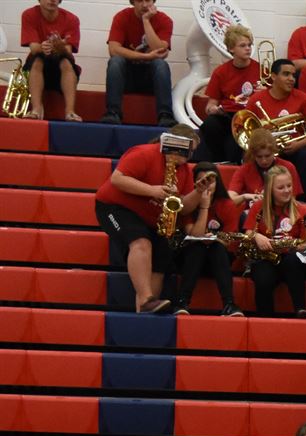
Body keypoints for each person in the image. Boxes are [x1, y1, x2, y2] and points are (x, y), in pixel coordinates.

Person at [96, 128, 210, 313]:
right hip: (114, 206)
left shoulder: (184, 170)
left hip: (149, 217)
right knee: (141, 241)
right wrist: (152, 190)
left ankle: (148, 308)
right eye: (188, 149)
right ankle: (145, 300)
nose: (189, 155)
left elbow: (182, 207)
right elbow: (117, 179)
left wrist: (197, 192)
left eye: (192, 151)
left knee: (162, 255)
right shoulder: (145, 153)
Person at [243, 58, 306, 195]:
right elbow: (247, 130)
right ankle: (256, 196)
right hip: (265, 152)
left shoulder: (302, 98)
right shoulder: (256, 100)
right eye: (286, 74)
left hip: (292, 149)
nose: (291, 79)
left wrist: (298, 144)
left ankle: (303, 200)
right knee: (249, 156)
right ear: (274, 76)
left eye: (293, 75)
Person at [171, 165, 242, 316]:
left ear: (218, 183)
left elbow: (228, 240)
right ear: (194, 184)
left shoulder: (227, 204)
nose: (207, 186)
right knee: (198, 248)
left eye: (211, 181)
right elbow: (194, 234)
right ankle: (182, 302)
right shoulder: (188, 204)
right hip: (191, 259)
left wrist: (214, 240)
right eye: (201, 181)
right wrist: (204, 207)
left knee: (215, 248)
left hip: (218, 259)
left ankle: (229, 304)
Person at [245, 165, 306, 317]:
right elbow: (248, 231)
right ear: (270, 190)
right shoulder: (258, 207)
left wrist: (294, 245)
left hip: (290, 258)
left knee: (293, 262)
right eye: (281, 187)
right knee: (263, 278)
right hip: (265, 257)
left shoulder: (302, 210)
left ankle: (300, 309)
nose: (287, 190)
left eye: (289, 186)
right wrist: (257, 236)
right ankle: (264, 318)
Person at [102, 0, 173, 126]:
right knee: (115, 61)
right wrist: (146, 56)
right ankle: (113, 112)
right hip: (127, 79)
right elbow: (113, 50)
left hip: (150, 80)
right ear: (133, 2)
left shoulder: (164, 20)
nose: (145, 5)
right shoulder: (122, 17)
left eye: (148, 0)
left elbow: (161, 51)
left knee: (160, 65)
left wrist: (146, 21)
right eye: (140, 0)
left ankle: (165, 115)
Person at [19, 0, 82, 122]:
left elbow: (68, 50)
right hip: (38, 62)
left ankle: (70, 112)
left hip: (60, 64)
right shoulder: (29, 15)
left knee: (66, 62)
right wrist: (43, 47)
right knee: (38, 59)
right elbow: (33, 48)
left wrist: (60, 47)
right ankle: (36, 110)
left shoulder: (71, 19)